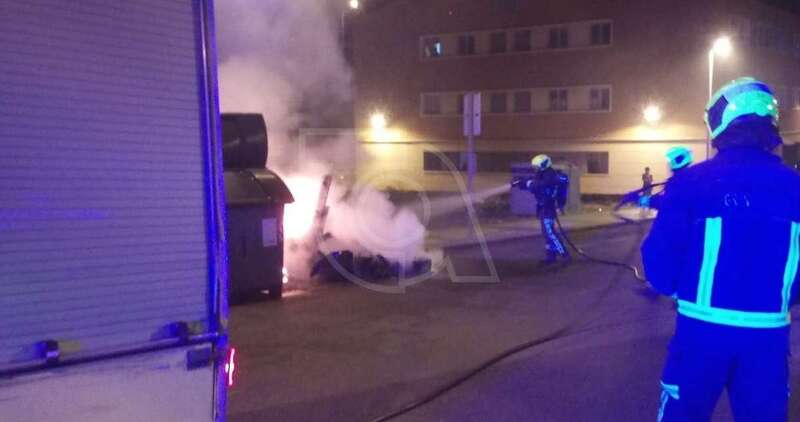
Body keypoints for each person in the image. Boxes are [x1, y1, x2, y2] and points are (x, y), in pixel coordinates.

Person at [642, 77, 800, 422]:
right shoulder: (795, 187)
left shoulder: (691, 183)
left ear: (721, 121)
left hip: (701, 335)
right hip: (769, 339)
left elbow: (660, 269)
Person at [513, 154, 571, 265]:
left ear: (543, 165)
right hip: (544, 208)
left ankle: (564, 254)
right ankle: (551, 256)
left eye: (537, 166)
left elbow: (538, 185)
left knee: (550, 233)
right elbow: (534, 183)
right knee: (547, 233)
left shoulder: (550, 176)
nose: (536, 169)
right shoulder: (544, 174)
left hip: (548, 208)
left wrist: (527, 183)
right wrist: (520, 183)